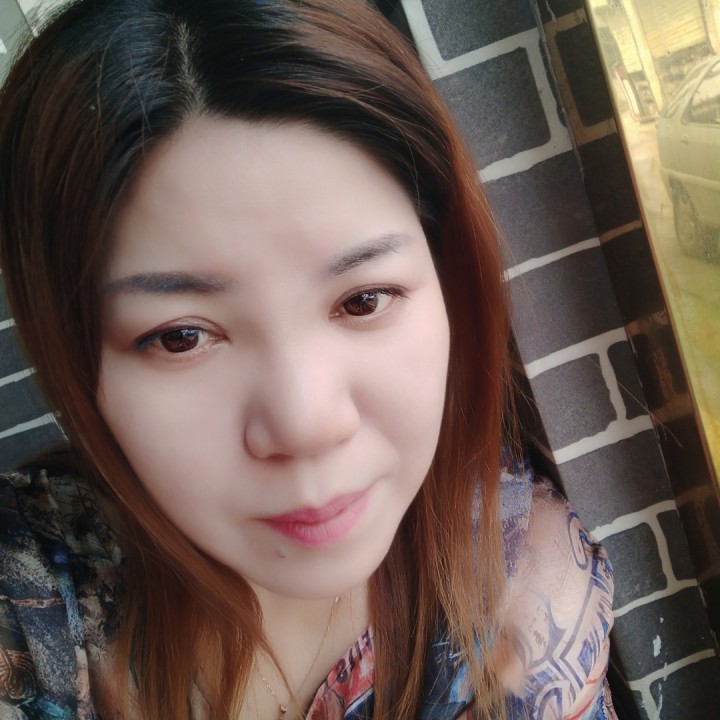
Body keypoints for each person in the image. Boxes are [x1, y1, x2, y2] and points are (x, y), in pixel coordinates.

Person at [0, 1, 615, 718]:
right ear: (79, 364)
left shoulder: (527, 582)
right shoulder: (28, 605)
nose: (306, 424)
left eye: (364, 300)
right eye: (181, 337)